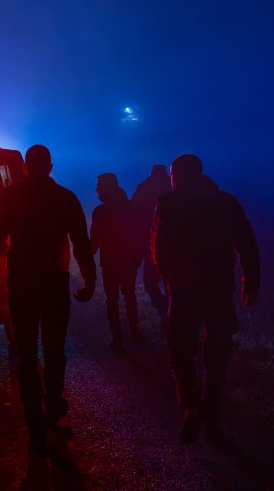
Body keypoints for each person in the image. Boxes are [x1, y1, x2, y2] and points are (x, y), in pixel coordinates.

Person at [0, 144, 97, 455]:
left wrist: (10, 256)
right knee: (54, 348)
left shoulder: (10, 197)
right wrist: (90, 280)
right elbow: (81, 242)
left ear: (24, 166)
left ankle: (34, 423)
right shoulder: (65, 197)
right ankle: (53, 407)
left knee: (25, 352)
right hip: (55, 280)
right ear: (50, 166)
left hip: (22, 281)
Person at [151, 154, 260, 444]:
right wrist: (251, 280)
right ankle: (211, 417)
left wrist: (167, 280)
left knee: (179, 352)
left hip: (183, 290)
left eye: (173, 175)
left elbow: (157, 248)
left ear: (178, 176)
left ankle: (189, 405)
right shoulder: (225, 202)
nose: (172, 180)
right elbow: (246, 243)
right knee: (217, 355)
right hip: (218, 290)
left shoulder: (168, 205)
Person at [90, 173, 142, 351]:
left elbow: (95, 241)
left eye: (99, 185)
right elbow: (139, 234)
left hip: (110, 261)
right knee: (130, 296)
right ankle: (134, 332)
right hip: (128, 259)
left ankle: (117, 338)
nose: (97, 189)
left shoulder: (101, 211)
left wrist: (87, 258)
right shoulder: (130, 207)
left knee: (112, 300)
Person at [132, 164, 171, 326]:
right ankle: (168, 310)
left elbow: (133, 211)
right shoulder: (173, 187)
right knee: (167, 282)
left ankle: (166, 310)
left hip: (152, 242)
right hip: (168, 244)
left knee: (151, 282)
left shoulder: (144, 187)